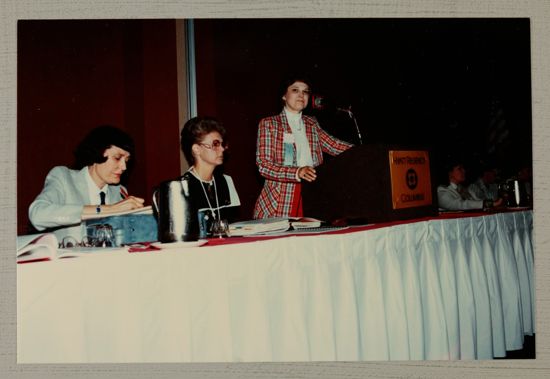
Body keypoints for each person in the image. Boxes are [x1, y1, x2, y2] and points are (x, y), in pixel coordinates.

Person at [254, 75, 354, 218]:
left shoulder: (312, 124)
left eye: (305, 92)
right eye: (295, 90)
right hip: (280, 201)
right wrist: (297, 172)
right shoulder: (270, 124)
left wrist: (362, 152)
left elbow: (335, 145)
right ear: (284, 95)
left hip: (312, 196)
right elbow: (264, 165)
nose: (301, 95)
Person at [28, 125, 145, 242]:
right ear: (98, 152)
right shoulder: (63, 178)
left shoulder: (120, 192)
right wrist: (108, 209)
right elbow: (37, 214)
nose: (124, 167)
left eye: (126, 160)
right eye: (117, 158)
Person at [180, 116, 240, 237]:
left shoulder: (227, 181)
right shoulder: (181, 187)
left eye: (222, 144)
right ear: (196, 149)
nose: (222, 149)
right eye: (215, 144)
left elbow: (236, 226)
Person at [437, 159, 503, 211]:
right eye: (459, 169)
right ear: (450, 173)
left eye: (463, 168)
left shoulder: (464, 189)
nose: (464, 171)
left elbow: (477, 201)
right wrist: (488, 204)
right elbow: (460, 205)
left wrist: (493, 204)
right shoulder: (441, 191)